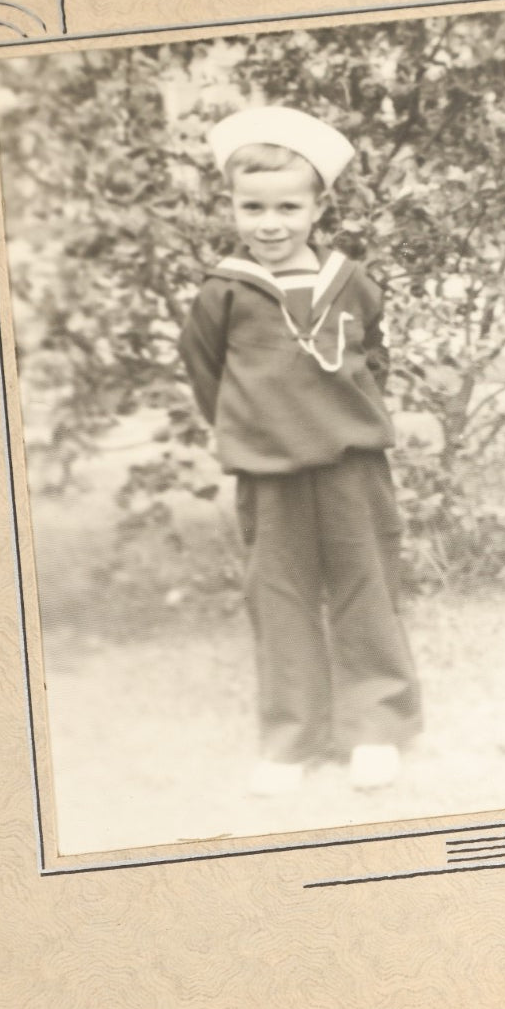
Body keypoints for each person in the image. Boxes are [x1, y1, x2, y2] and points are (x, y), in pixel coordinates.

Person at [179, 105, 422, 797]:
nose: (270, 222)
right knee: (279, 597)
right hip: (268, 471)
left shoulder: (351, 282)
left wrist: (357, 417)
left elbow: (374, 357)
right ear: (232, 205)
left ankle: (374, 728)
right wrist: (251, 429)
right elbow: (205, 373)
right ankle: (291, 738)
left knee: (365, 587)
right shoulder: (223, 291)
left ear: (319, 206)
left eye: (288, 205)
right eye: (252, 206)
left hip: (353, 466)